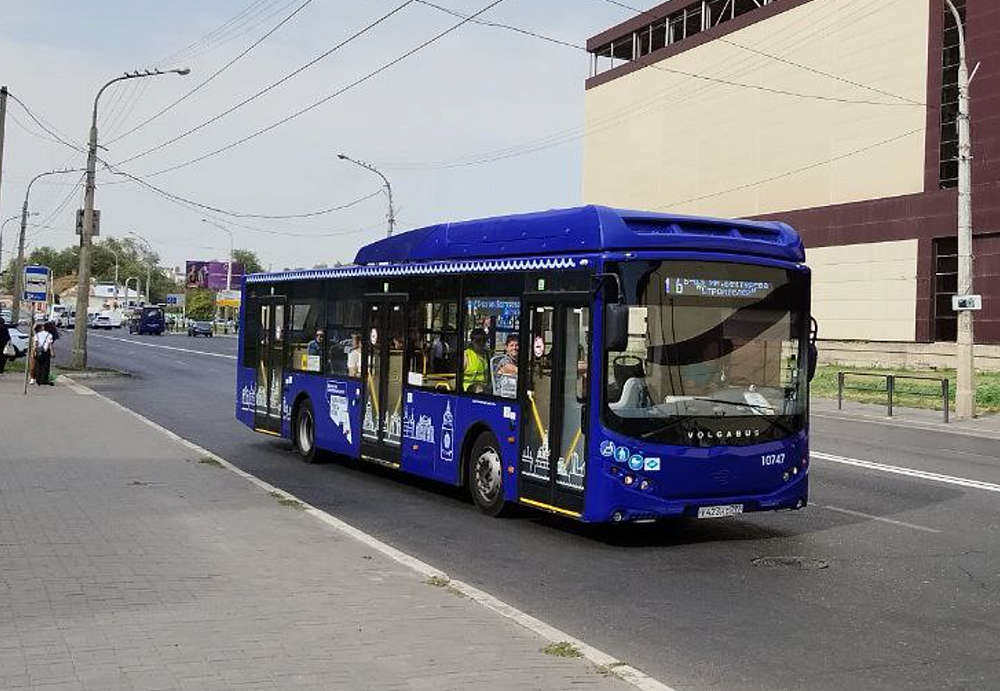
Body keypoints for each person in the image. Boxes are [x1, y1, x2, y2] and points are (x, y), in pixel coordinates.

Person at [463, 327, 489, 392]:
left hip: (485, 388)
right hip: (468, 390)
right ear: (472, 341)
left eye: (484, 340)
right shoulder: (466, 355)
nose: (481, 343)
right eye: (478, 340)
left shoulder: (487, 355)